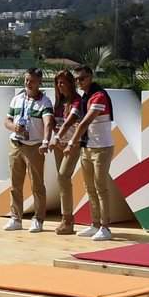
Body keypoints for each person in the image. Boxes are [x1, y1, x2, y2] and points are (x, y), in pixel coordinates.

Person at [59, 65, 118, 241]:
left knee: (101, 187)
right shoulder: (85, 97)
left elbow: (85, 122)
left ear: (91, 77)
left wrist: (71, 142)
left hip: (102, 148)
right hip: (87, 147)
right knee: (89, 188)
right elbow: (79, 122)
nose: (79, 82)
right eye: (76, 79)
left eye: (82, 78)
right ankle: (95, 224)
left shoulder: (99, 95)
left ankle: (105, 227)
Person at [3, 68, 55, 233]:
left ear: (39, 82)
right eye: (26, 80)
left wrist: (46, 141)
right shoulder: (17, 99)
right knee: (15, 184)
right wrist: (15, 127)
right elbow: (7, 120)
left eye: (32, 81)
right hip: (16, 144)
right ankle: (15, 218)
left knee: (37, 185)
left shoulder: (45, 102)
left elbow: (48, 123)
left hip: (34, 147)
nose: (28, 83)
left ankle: (38, 219)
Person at [47, 69, 85, 235]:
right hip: (59, 146)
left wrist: (58, 138)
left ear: (70, 83)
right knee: (62, 180)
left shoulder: (77, 100)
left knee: (63, 177)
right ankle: (66, 219)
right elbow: (53, 124)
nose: (60, 85)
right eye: (58, 83)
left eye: (63, 82)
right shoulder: (57, 104)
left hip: (73, 144)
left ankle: (68, 220)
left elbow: (70, 122)